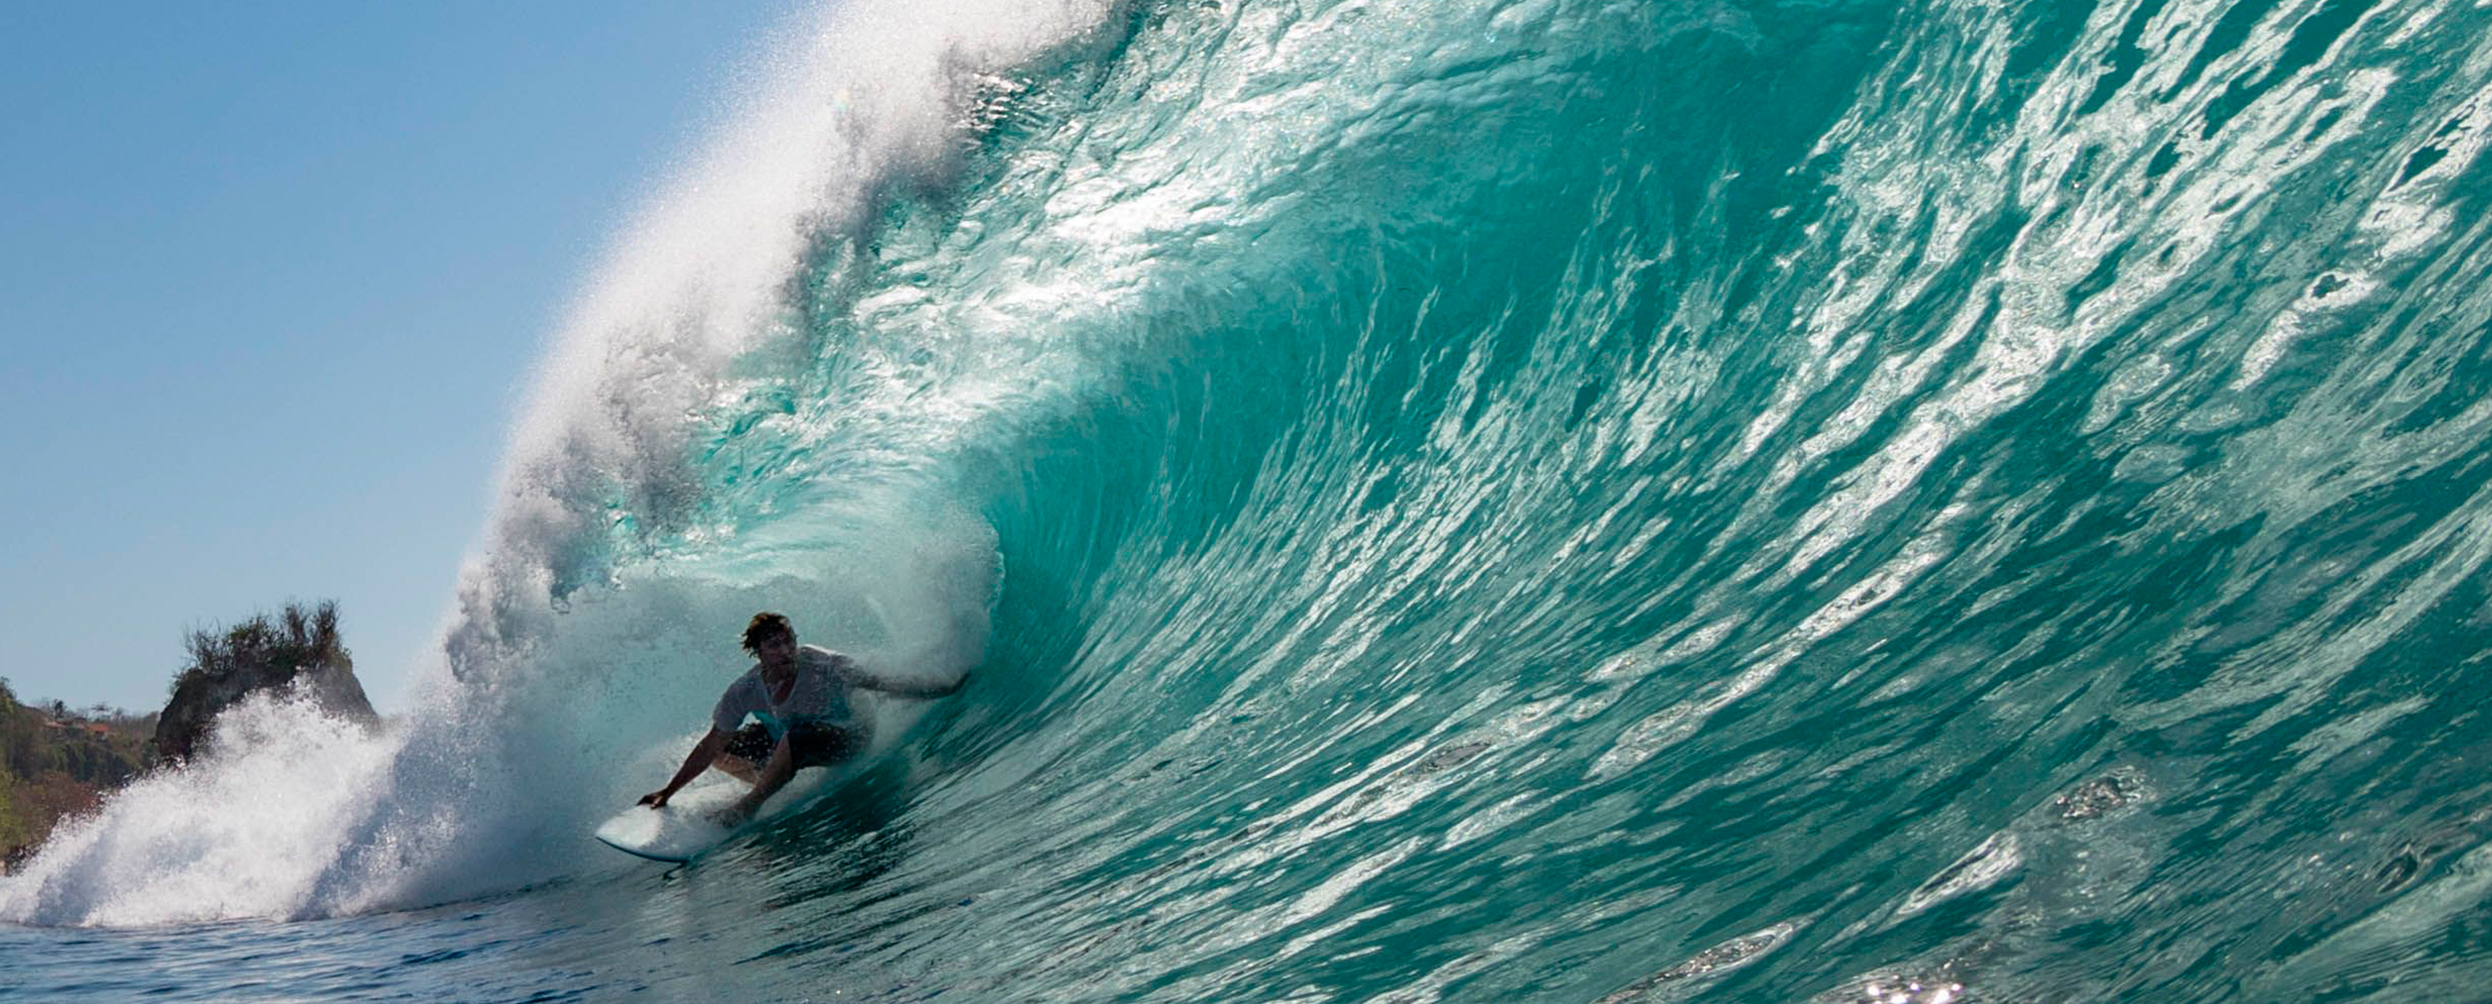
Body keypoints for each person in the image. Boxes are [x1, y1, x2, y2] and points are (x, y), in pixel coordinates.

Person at [638, 612, 964, 822]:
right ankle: (770, 781)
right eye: (774, 646)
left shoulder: (825, 665)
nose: (785, 650)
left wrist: (945, 688)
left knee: (797, 737)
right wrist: (668, 792)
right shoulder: (746, 689)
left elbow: (884, 683)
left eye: (788, 641)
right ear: (758, 653)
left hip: (849, 737)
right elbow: (710, 746)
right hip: (792, 739)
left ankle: (751, 804)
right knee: (721, 750)